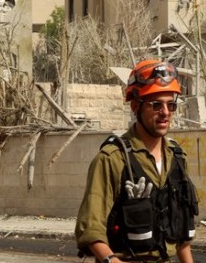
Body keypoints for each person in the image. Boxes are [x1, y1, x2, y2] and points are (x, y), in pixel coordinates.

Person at [75, 60, 198, 263]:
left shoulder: (177, 157)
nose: (165, 112)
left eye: (171, 105)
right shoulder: (112, 159)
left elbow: (182, 239)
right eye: (156, 105)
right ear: (135, 106)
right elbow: (90, 229)